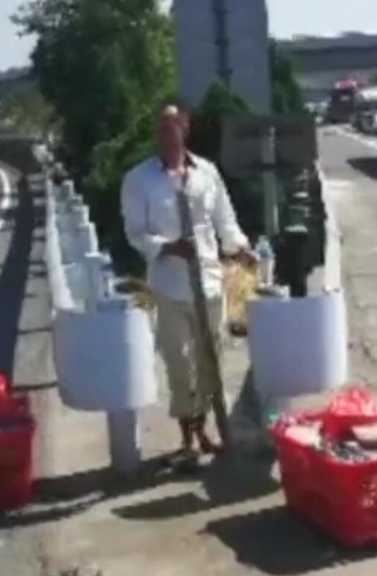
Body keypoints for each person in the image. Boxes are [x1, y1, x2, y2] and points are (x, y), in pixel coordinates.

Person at [121, 99, 256, 467]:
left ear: (185, 128)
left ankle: (210, 429)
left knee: (210, 358)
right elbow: (135, 232)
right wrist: (168, 247)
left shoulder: (207, 173)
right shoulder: (138, 180)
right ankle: (188, 436)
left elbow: (225, 222)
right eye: (160, 129)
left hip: (210, 281)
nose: (166, 136)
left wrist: (242, 249)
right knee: (179, 363)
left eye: (172, 127)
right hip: (169, 286)